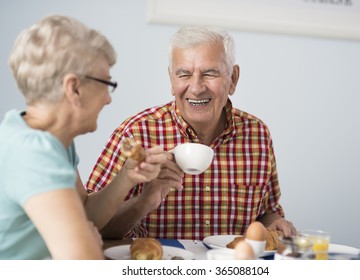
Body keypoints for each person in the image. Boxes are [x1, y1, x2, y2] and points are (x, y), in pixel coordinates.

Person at [86, 26, 297, 241]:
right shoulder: (136, 133)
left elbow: (267, 212)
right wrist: (142, 204)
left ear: (233, 78)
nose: (196, 88)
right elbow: (90, 226)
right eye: (184, 74)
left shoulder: (257, 135)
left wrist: (276, 223)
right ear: (171, 80)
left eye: (210, 73)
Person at [0, 15, 168, 260]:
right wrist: (87, 243)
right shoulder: (36, 153)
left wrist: (127, 177)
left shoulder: (45, 139)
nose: (108, 98)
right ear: (74, 88)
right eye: (105, 82)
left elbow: (85, 214)